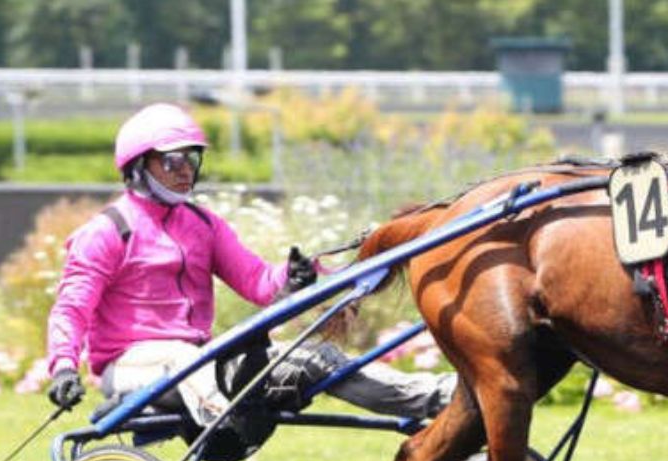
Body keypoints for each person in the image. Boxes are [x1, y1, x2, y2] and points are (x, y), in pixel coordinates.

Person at [44, 103, 452, 434]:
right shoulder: (106, 232)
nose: (185, 170)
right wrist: (63, 367)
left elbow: (257, 282)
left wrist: (291, 278)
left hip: (202, 362)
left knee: (319, 359)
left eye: (191, 159)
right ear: (138, 167)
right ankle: (222, 422)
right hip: (130, 368)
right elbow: (70, 308)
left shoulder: (203, 225)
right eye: (172, 161)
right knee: (183, 357)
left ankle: (444, 397)